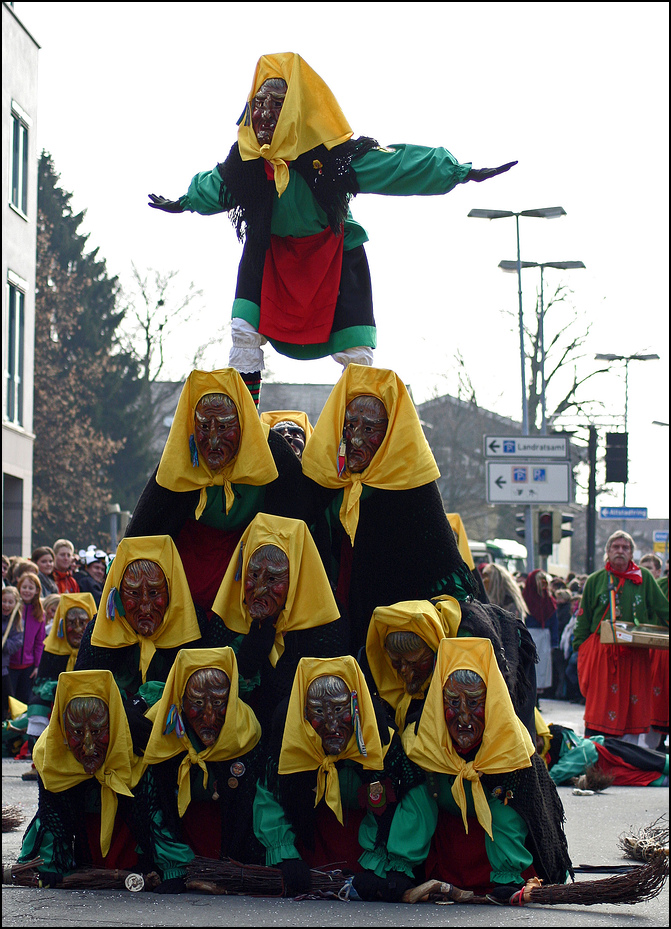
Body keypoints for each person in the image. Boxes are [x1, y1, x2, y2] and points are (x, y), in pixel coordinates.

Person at [148, 52, 516, 400]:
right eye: (258, 104)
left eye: (276, 105)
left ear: (295, 109)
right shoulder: (245, 164)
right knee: (244, 332)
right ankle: (244, 429)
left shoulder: (333, 159)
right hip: (271, 255)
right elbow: (217, 186)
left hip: (333, 256)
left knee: (356, 352)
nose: (263, 114)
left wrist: (458, 172)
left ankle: (355, 431)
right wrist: (184, 201)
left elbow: (394, 166)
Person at [301, 364, 481, 654]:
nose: (356, 438)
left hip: (396, 636)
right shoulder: (325, 482)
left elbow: (444, 575)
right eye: (350, 425)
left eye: (369, 428)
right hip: (333, 626)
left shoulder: (413, 490)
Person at [125, 368, 315, 613]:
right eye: (204, 426)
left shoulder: (275, 454)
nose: (213, 440)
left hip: (253, 594)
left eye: (224, 427)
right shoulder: (180, 457)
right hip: (185, 600)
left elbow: (303, 526)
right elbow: (143, 533)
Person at [400, 637, 572, 902]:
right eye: (453, 703)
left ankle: (507, 875)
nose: (465, 717)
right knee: (420, 793)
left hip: (499, 855)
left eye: (474, 702)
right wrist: (398, 870)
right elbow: (417, 806)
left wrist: (510, 876)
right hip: (448, 854)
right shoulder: (424, 743)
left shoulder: (511, 747)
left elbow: (519, 817)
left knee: (506, 801)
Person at [252, 654, 426, 900]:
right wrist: (284, 855)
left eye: (339, 709)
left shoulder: (384, 746)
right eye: (319, 712)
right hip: (314, 864)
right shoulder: (289, 747)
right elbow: (270, 793)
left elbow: (416, 801)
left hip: (373, 862)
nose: (332, 725)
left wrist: (395, 865)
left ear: (356, 706)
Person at [138, 647, 266, 890]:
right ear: (181, 700)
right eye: (197, 703)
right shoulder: (162, 730)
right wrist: (173, 869)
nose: (209, 717)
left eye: (219, 703)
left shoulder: (247, 732)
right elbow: (153, 805)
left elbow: (258, 805)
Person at [16, 670, 160, 884]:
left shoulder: (135, 753)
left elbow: (155, 817)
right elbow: (52, 817)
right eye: (76, 733)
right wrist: (50, 865)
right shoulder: (51, 756)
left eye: (97, 731)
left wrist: (168, 868)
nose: (89, 746)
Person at [211, 512, 345, 733]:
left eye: (273, 579)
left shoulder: (327, 625)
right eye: (253, 575)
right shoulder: (231, 614)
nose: (260, 589)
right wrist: (246, 660)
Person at [75, 535, 206, 752]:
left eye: (154, 593)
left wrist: (145, 702)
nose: (145, 607)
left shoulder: (192, 621)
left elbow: (201, 684)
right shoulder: (102, 627)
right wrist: (118, 713)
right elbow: (84, 689)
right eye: (134, 594)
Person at [574, 530, 669, 745]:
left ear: (632, 553)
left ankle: (628, 759)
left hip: (635, 655)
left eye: (625, 548)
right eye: (615, 547)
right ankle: (598, 755)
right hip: (603, 654)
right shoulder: (595, 580)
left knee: (633, 706)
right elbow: (583, 618)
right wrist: (582, 649)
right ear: (607, 552)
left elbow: (664, 609)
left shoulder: (644, 578)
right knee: (600, 705)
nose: (620, 551)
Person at [26, 593, 99, 756]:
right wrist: (56, 688)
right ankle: (39, 758)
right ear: (62, 624)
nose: (79, 629)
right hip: (56, 697)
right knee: (37, 704)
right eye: (72, 623)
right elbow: (40, 684)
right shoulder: (52, 649)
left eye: (83, 623)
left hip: (90, 697)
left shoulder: (97, 648)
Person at [536, 709, 669, 788]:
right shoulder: (537, 757)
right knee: (646, 779)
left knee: (653, 761)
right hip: (600, 770)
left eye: (536, 738)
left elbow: (585, 751)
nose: (537, 744)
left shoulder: (557, 735)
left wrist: (551, 778)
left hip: (606, 752)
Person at [8, 573, 46, 709]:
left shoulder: (39, 613)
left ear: (36, 590)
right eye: (24, 587)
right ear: (18, 588)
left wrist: (37, 665)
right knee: (9, 700)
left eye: (31, 588)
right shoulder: (11, 608)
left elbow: (39, 642)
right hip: (10, 664)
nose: (27, 591)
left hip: (28, 666)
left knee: (24, 701)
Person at [2, 586, 24, 720]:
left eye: (10, 602)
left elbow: (17, 643)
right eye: (4, 601)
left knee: (7, 702)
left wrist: (4, 643)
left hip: (3, 668)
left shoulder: (16, 622)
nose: (6, 605)